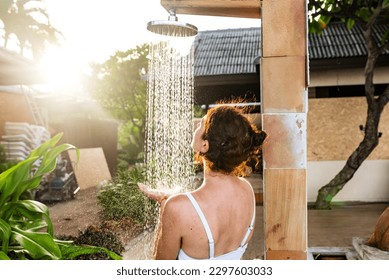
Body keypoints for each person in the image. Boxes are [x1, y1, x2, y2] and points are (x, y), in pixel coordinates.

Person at [138, 105, 267, 260]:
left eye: (200, 124)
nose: (196, 127)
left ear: (205, 145)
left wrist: (166, 205)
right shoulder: (246, 190)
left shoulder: (176, 208)